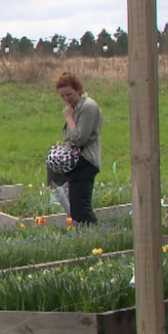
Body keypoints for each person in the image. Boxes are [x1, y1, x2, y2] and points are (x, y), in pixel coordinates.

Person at [55, 71, 102, 224]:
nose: (66, 99)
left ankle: (94, 235)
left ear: (78, 90)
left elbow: (80, 138)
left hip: (85, 161)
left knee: (82, 207)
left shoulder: (88, 107)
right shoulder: (75, 108)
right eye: (62, 96)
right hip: (75, 163)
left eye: (69, 94)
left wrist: (68, 118)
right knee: (75, 207)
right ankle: (85, 233)